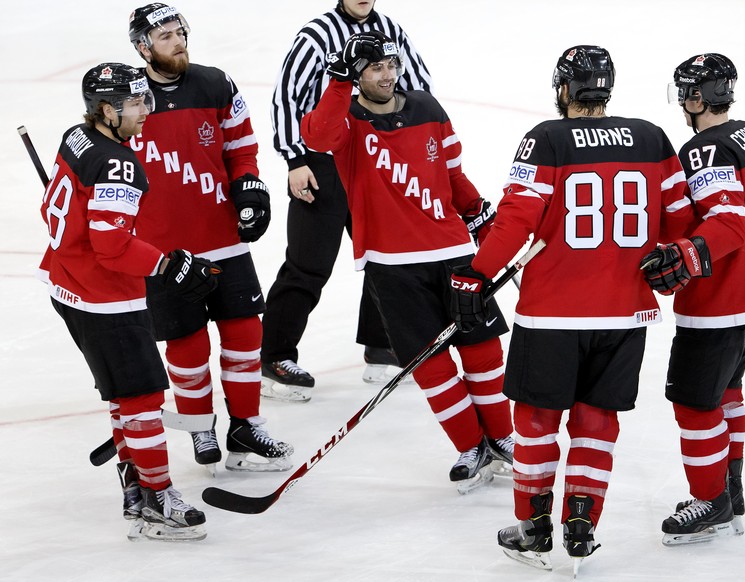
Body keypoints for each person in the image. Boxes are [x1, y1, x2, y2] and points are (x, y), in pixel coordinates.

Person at [449, 46, 697, 571]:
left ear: (564, 89)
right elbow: (679, 220)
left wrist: (477, 273)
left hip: (552, 314)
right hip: (626, 315)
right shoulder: (651, 138)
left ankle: (534, 526)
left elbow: (517, 215)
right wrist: (677, 258)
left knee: (537, 419)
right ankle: (582, 521)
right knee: (597, 420)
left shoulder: (548, 138)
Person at [301, 31, 513, 493]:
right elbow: (316, 136)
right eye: (374, 67)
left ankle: (502, 437)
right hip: (390, 262)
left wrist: (477, 211)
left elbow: (452, 173)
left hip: (453, 251)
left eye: (390, 64)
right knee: (430, 362)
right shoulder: (346, 118)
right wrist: (337, 84)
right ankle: (470, 444)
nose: (387, 74)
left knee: (482, 350)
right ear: (356, 76)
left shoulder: (428, 108)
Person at [39, 62, 220, 541]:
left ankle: (135, 486)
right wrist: (171, 264)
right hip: (105, 299)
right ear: (106, 110)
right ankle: (157, 499)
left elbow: (53, 211)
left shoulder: (76, 139)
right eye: (136, 103)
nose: (148, 110)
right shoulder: (116, 162)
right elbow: (113, 247)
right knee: (141, 397)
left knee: (124, 395)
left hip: (69, 287)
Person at [641, 53, 745, 545]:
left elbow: (728, 221)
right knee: (726, 391)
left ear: (695, 97)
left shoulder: (704, 150)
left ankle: (709, 500)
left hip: (720, 306)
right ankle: (730, 490)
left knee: (693, 402)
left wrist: (687, 255)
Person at [126, 3, 293, 473]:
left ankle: (245, 424)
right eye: (165, 36)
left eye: (180, 32)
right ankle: (200, 426)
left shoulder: (215, 82)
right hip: (163, 250)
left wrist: (249, 188)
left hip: (222, 236)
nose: (178, 42)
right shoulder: (128, 98)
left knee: (244, 331)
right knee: (187, 343)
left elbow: (241, 145)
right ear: (143, 47)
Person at [264, 0, 437, 401]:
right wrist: (295, 159)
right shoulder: (315, 36)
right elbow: (287, 98)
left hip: (374, 159)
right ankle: (274, 355)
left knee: (387, 256)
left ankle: (382, 347)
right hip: (324, 163)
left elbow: (419, 86)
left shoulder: (390, 29)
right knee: (309, 264)